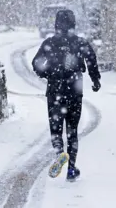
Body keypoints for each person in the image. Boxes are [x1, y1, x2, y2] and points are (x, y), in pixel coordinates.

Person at [31, 9, 101, 182]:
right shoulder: (80, 43)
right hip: (74, 92)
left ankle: (59, 152)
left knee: (56, 128)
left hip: (54, 92)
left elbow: (36, 63)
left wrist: (48, 74)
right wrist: (95, 80)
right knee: (72, 131)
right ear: (73, 24)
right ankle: (71, 169)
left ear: (56, 24)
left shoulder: (50, 43)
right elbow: (91, 61)